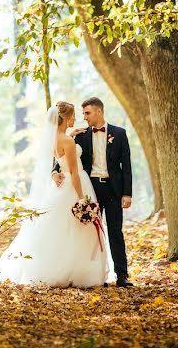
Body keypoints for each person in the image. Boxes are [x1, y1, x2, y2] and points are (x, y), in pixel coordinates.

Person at [0, 101, 112, 287]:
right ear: (65, 118)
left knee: (59, 229)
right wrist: (81, 197)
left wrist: (66, 144)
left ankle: (59, 267)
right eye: (73, 116)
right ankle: (75, 270)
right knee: (79, 231)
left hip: (59, 188)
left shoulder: (55, 139)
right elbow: (73, 172)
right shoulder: (68, 141)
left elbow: (59, 161)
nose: (76, 118)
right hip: (75, 184)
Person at [55, 97, 133, 287]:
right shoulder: (79, 136)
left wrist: (127, 193)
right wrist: (53, 173)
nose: (84, 117)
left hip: (114, 189)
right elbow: (59, 158)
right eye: (82, 114)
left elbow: (127, 166)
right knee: (91, 234)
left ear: (99, 111)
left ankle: (122, 275)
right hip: (92, 189)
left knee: (115, 231)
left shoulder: (120, 134)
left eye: (87, 113)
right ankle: (96, 275)